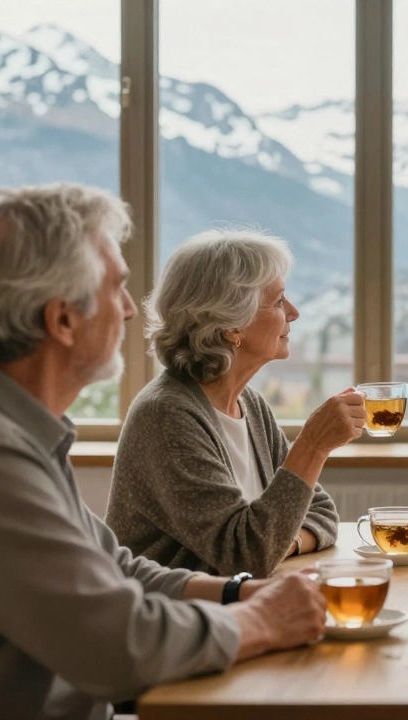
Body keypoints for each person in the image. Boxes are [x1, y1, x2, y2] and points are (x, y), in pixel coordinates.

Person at [0, 184, 331, 720]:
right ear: (62, 319)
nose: (129, 312)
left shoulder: (5, 426)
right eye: (117, 288)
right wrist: (262, 622)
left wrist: (239, 595)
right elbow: (120, 647)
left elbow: (113, 568)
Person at [107, 230, 365, 579]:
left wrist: (278, 545)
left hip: (239, 609)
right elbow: (247, 555)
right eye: (277, 302)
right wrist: (313, 446)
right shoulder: (167, 415)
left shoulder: (250, 405)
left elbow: (320, 513)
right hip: (174, 621)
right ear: (232, 325)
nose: (293, 312)